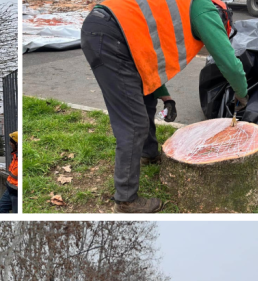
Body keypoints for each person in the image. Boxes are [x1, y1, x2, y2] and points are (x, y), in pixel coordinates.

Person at [81, 0, 248, 213]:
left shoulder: (182, 8)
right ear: (223, 18)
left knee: (146, 97)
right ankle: (126, 200)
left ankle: (148, 153)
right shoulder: (205, 10)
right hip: (111, 36)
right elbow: (229, 64)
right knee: (133, 123)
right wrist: (242, 94)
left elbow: (147, 61)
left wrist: (166, 97)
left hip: (114, 33)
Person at [0, 131, 18, 213]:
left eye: (11, 142)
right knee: (0, 208)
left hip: (16, 193)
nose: (10, 143)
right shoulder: (15, 156)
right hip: (10, 190)